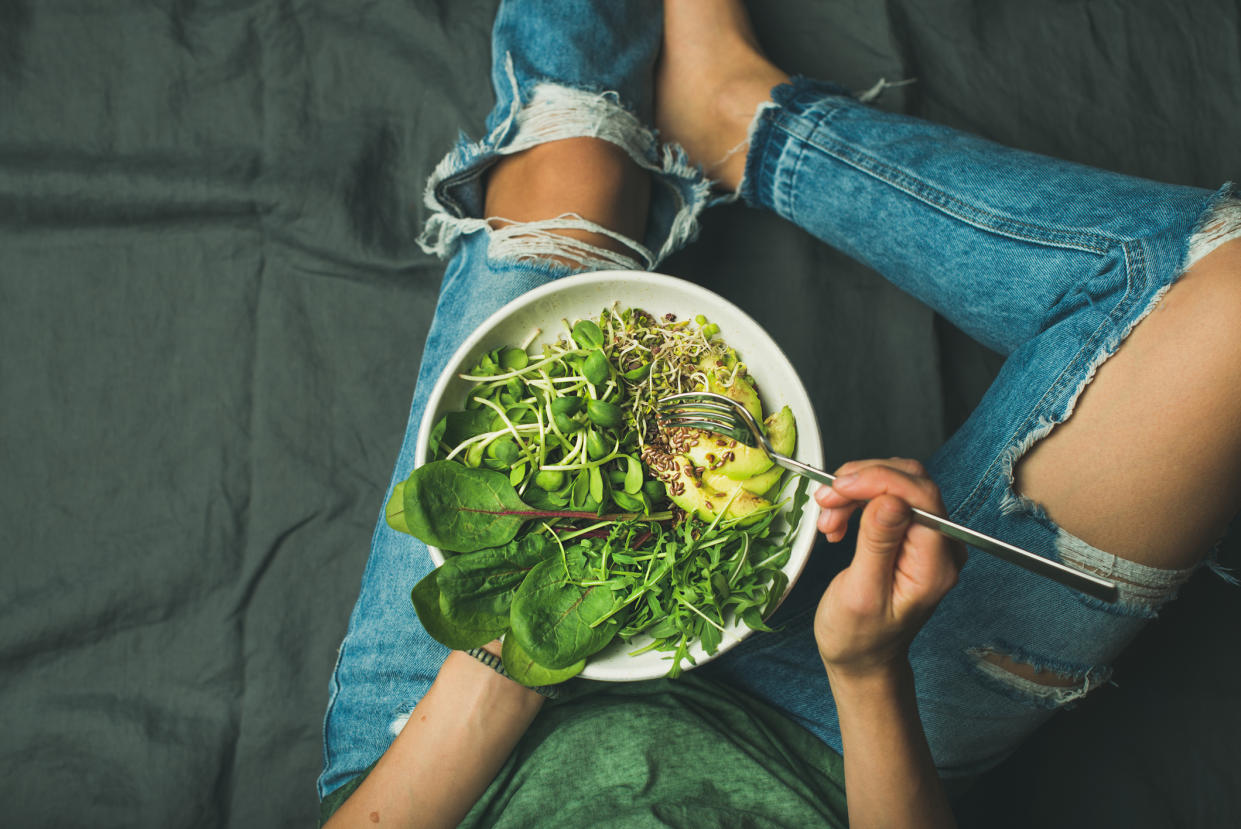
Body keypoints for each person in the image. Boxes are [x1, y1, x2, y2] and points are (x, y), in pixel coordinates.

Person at [317, 1, 1241, 826]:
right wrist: (867, 671)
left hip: (452, 762)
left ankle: (724, 115)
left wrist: (497, 667)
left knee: (572, 161)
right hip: (825, 750)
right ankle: (749, 125)